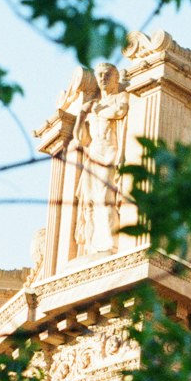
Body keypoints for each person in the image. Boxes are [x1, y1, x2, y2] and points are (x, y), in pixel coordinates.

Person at [72, 62, 129, 257]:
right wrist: (81, 114)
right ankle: (93, 245)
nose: (103, 78)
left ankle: (110, 244)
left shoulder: (119, 98)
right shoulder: (93, 107)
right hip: (93, 155)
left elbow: (120, 111)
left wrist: (95, 112)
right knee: (89, 203)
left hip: (109, 154)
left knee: (105, 198)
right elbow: (81, 138)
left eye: (107, 74)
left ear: (116, 78)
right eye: (100, 76)